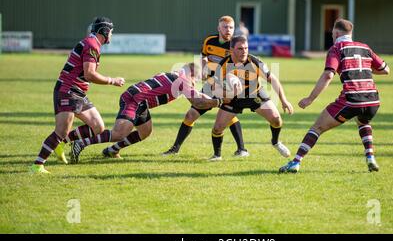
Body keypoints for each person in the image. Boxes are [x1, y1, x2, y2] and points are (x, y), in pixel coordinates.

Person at [279, 19, 390, 174]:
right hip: (372, 100)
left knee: (317, 127)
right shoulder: (364, 47)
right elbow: (385, 70)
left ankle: (295, 162)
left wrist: (310, 98)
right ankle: (370, 157)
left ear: (336, 33)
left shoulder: (336, 48)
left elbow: (328, 75)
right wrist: (365, 70)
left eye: (332, 34)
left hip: (351, 99)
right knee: (363, 121)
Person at [68, 63, 226, 162]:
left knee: (145, 131)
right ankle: (81, 143)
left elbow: (198, 96)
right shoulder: (183, 81)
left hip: (139, 101)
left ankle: (112, 150)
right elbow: (197, 101)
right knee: (119, 133)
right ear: (192, 74)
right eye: (197, 79)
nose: (196, 82)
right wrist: (218, 102)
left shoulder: (177, 76)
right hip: (134, 100)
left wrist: (215, 99)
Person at [30, 17, 125, 174]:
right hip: (68, 90)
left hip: (78, 92)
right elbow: (89, 74)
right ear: (105, 31)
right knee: (61, 131)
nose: (112, 36)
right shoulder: (92, 45)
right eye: (111, 32)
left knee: (98, 126)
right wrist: (112, 81)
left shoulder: (92, 43)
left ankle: (61, 144)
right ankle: (37, 165)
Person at [162, 16, 249, 157]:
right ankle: (175, 148)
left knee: (227, 116)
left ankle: (242, 149)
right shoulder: (209, 41)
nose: (228, 30)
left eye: (231, 27)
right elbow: (203, 57)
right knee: (191, 115)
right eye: (225, 27)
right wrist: (201, 70)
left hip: (227, 87)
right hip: (210, 85)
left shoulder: (236, 46)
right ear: (219, 28)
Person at [209, 35, 294, 161]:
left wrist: (283, 100)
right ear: (231, 50)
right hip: (233, 99)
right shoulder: (223, 65)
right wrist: (224, 95)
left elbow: (273, 79)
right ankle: (217, 155)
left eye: (246, 48)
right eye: (240, 49)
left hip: (255, 94)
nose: (244, 51)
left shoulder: (254, 61)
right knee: (217, 129)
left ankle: (276, 142)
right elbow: (214, 87)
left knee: (276, 120)